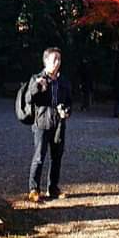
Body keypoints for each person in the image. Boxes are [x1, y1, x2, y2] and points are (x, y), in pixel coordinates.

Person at [26, 47, 73, 202]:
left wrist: (66, 111)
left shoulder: (63, 81)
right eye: (54, 59)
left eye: (59, 59)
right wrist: (38, 86)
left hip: (59, 124)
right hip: (41, 123)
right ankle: (34, 189)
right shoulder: (37, 78)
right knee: (39, 157)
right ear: (46, 61)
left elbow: (69, 102)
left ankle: (53, 188)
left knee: (57, 157)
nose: (57, 62)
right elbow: (29, 97)